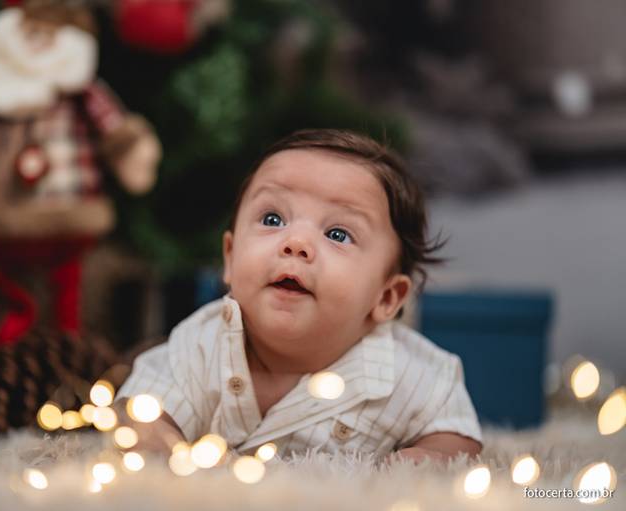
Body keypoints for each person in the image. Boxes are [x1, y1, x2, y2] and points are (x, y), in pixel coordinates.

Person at [116, 129, 482, 462]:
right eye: (272, 219)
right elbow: (136, 412)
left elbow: (458, 438)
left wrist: (427, 457)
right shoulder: (200, 346)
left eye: (338, 234)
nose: (296, 243)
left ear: (387, 298)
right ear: (230, 257)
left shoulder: (412, 374)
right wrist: (166, 447)